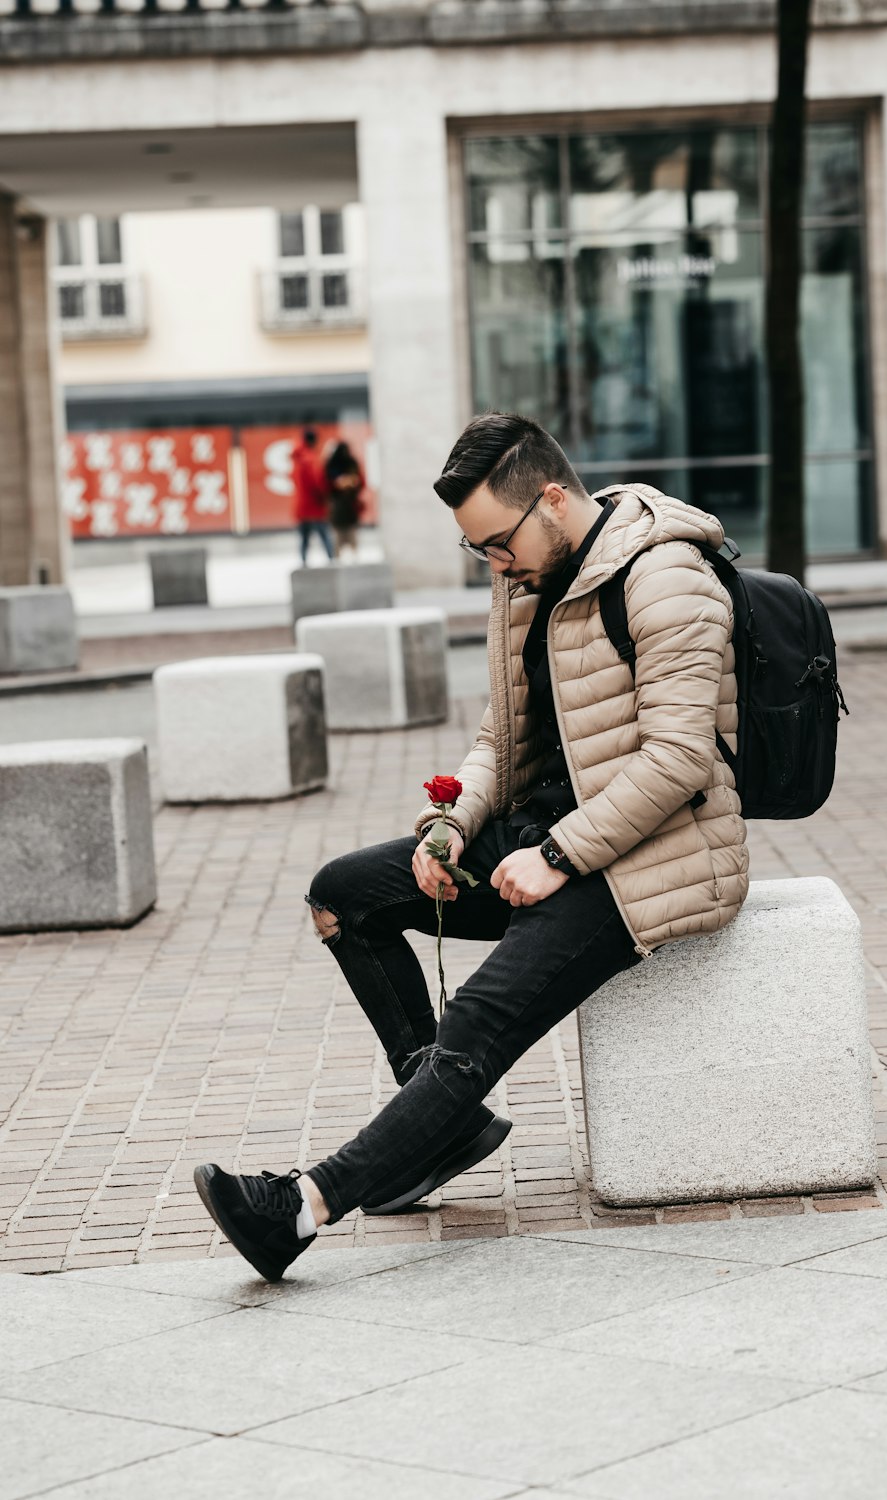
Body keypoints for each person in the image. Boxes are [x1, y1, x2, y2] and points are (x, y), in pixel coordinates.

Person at [194, 412, 749, 1282]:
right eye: (477, 550)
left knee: (478, 1021)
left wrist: (559, 857)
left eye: (496, 543)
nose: (492, 564)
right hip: (547, 841)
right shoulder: (529, 581)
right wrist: (449, 826)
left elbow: (678, 759)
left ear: (553, 500)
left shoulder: (666, 575)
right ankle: (440, 1125)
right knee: (343, 893)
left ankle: (298, 1209)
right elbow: (501, 739)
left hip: (651, 858)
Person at [291, 427, 334, 565]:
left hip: (302, 506)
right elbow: (317, 483)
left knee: (304, 538)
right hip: (314, 505)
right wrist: (325, 496)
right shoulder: (309, 460)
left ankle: (303, 562)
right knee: (324, 535)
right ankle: (332, 559)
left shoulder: (298, 459)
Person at [322, 437, 364, 559]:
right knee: (349, 537)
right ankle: (348, 557)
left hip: (340, 507)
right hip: (346, 506)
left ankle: (340, 558)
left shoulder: (332, 464)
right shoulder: (351, 463)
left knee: (340, 537)